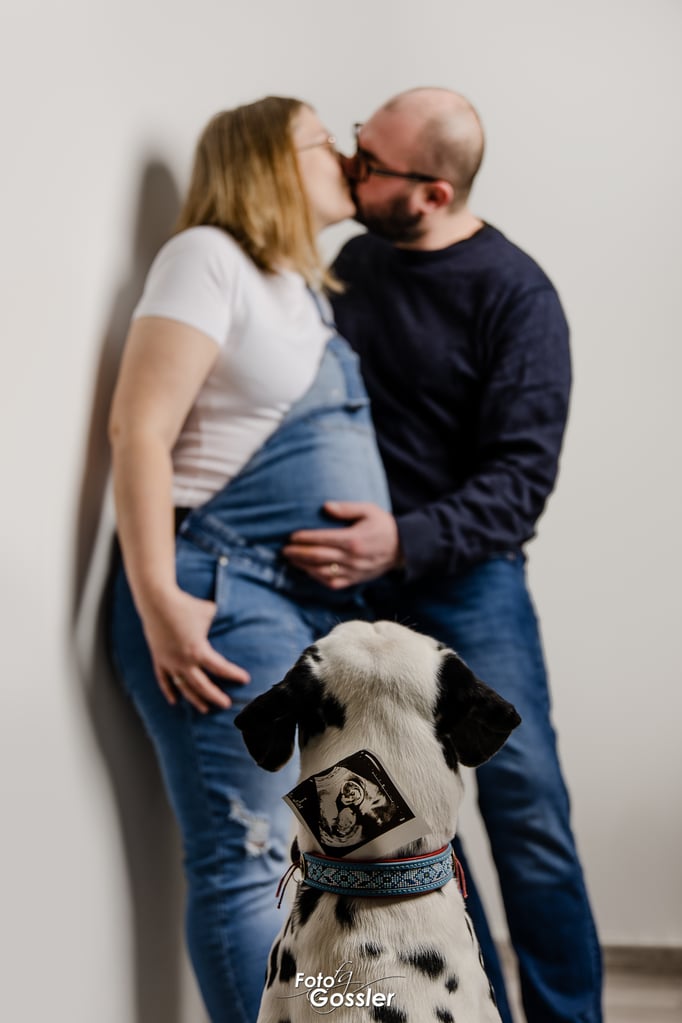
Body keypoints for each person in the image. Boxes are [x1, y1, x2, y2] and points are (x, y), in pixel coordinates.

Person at [283, 87, 603, 1023]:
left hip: (471, 587)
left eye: (370, 162)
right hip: (353, 604)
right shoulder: (353, 263)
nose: (351, 168)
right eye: (354, 144)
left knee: (529, 817)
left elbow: (520, 482)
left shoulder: (516, 294)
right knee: (389, 832)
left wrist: (402, 536)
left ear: (432, 193)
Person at [107, 96, 391, 1023]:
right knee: (253, 856)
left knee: (351, 858)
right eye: (325, 143)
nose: (347, 158)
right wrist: (158, 595)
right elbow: (140, 430)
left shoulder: (304, 291)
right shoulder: (206, 258)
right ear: (268, 160)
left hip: (318, 617)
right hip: (226, 597)